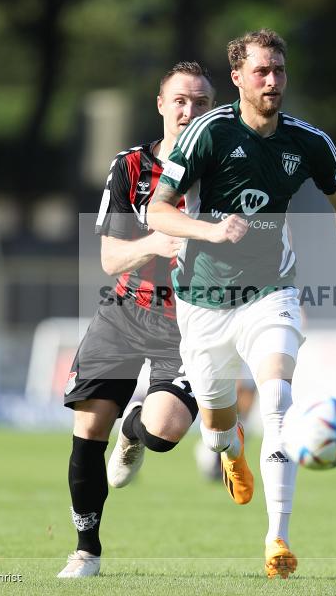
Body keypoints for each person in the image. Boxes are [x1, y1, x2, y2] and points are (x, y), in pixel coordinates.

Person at [147, 29, 336, 579]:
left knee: (277, 403)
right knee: (217, 424)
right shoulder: (207, 132)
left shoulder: (308, 142)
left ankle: (277, 540)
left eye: (278, 70)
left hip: (271, 291)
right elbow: (158, 211)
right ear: (237, 78)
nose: (272, 80)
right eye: (260, 71)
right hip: (202, 301)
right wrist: (208, 230)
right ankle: (229, 451)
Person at [57, 62, 215, 579]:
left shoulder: (224, 172)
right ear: (161, 104)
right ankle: (86, 551)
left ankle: (136, 428)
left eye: (199, 103)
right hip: (126, 311)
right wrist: (154, 240)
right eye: (180, 101)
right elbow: (109, 259)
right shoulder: (129, 167)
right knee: (87, 430)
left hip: (189, 323)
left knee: (165, 431)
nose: (188, 111)